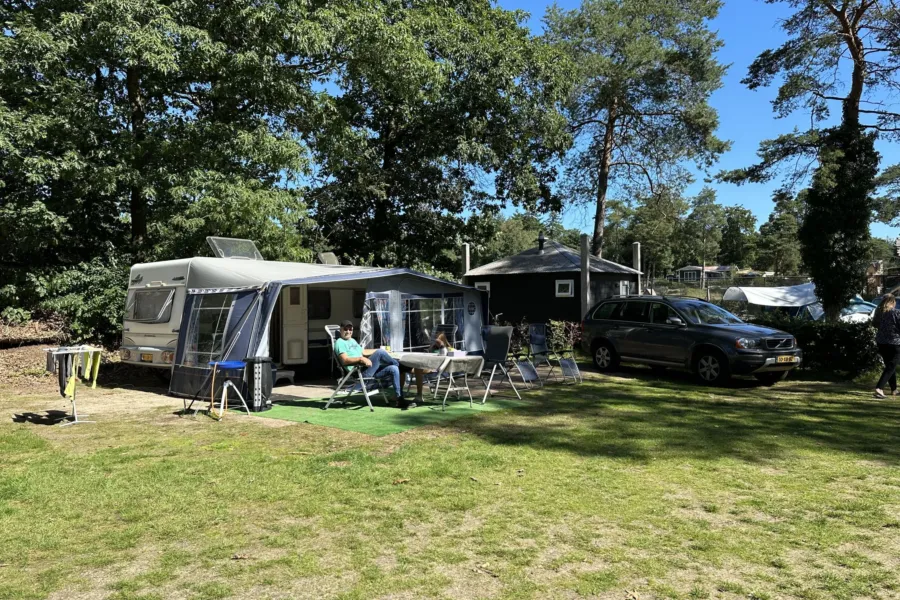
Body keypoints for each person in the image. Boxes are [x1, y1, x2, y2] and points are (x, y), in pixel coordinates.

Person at [334, 320, 416, 409]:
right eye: (346, 329)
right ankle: (403, 367)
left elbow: (364, 352)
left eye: (350, 329)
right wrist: (360, 359)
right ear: (341, 329)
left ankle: (399, 399)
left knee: (393, 368)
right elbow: (345, 360)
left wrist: (381, 351)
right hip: (358, 371)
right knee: (381, 353)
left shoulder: (352, 340)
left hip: (368, 368)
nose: (348, 331)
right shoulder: (339, 342)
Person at [410, 332, 455, 403]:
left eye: (438, 342)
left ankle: (419, 395)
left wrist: (442, 345)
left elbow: (445, 355)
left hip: (437, 369)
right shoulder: (433, 348)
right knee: (411, 368)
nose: (436, 343)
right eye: (436, 341)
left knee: (417, 369)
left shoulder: (447, 349)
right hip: (429, 366)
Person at [874, 294, 900, 399]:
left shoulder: (879, 313)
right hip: (895, 342)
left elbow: (874, 324)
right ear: (892, 303)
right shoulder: (896, 313)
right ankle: (879, 388)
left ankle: (894, 389)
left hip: (881, 342)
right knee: (891, 366)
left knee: (889, 366)